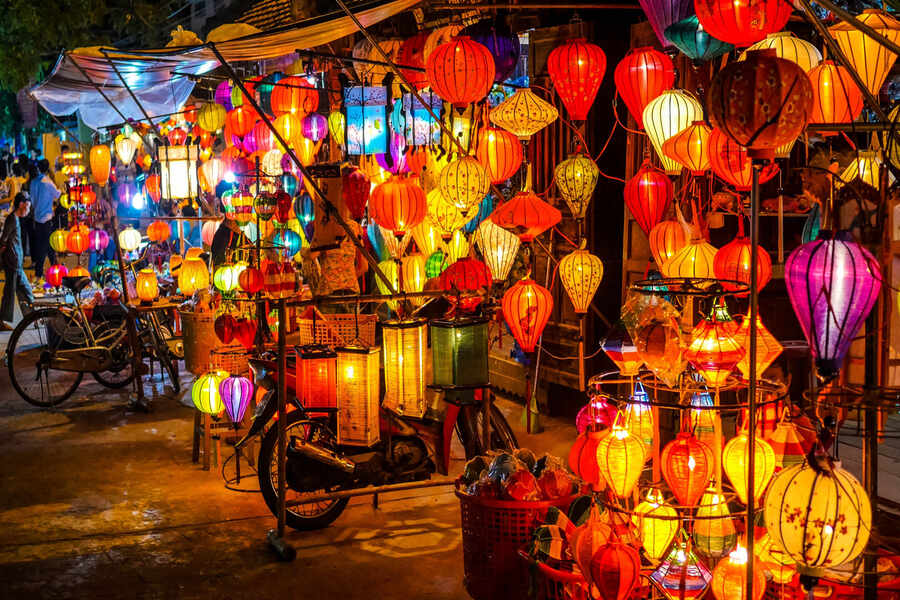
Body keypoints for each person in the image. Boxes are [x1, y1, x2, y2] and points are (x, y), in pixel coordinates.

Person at [0, 193, 34, 330]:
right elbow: (4, 240)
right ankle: (3, 321)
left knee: (23, 291)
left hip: (15, 262)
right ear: (21, 204)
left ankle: (31, 318)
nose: (28, 209)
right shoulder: (12, 219)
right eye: (27, 206)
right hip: (12, 262)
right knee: (14, 291)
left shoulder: (15, 219)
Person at [29, 158, 60, 281]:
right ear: (47, 168)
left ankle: (54, 266)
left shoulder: (34, 182)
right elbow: (57, 195)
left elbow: (32, 200)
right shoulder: (47, 182)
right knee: (44, 245)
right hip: (46, 218)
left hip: (37, 217)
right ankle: (39, 273)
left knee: (45, 244)